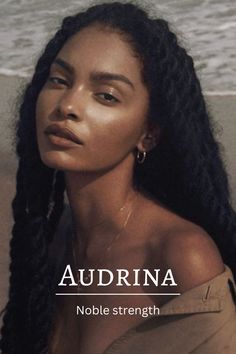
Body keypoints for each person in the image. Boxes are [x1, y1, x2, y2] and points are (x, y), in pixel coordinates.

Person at [1, 1, 236, 354]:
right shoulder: (54, 239)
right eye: (59, 80)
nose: (67, 105)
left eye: (106, 95)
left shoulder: (181, 256)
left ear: (148, 134)